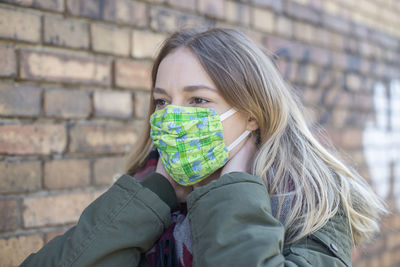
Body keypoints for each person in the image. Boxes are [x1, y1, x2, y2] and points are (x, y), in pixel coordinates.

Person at [21, 28, 387, 267]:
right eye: (163, 102)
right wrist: (155, 196)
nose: (173, 117)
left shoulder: (309, 202)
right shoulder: (146, 189)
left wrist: (234, 191)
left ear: (252, 114)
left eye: (198, 101)